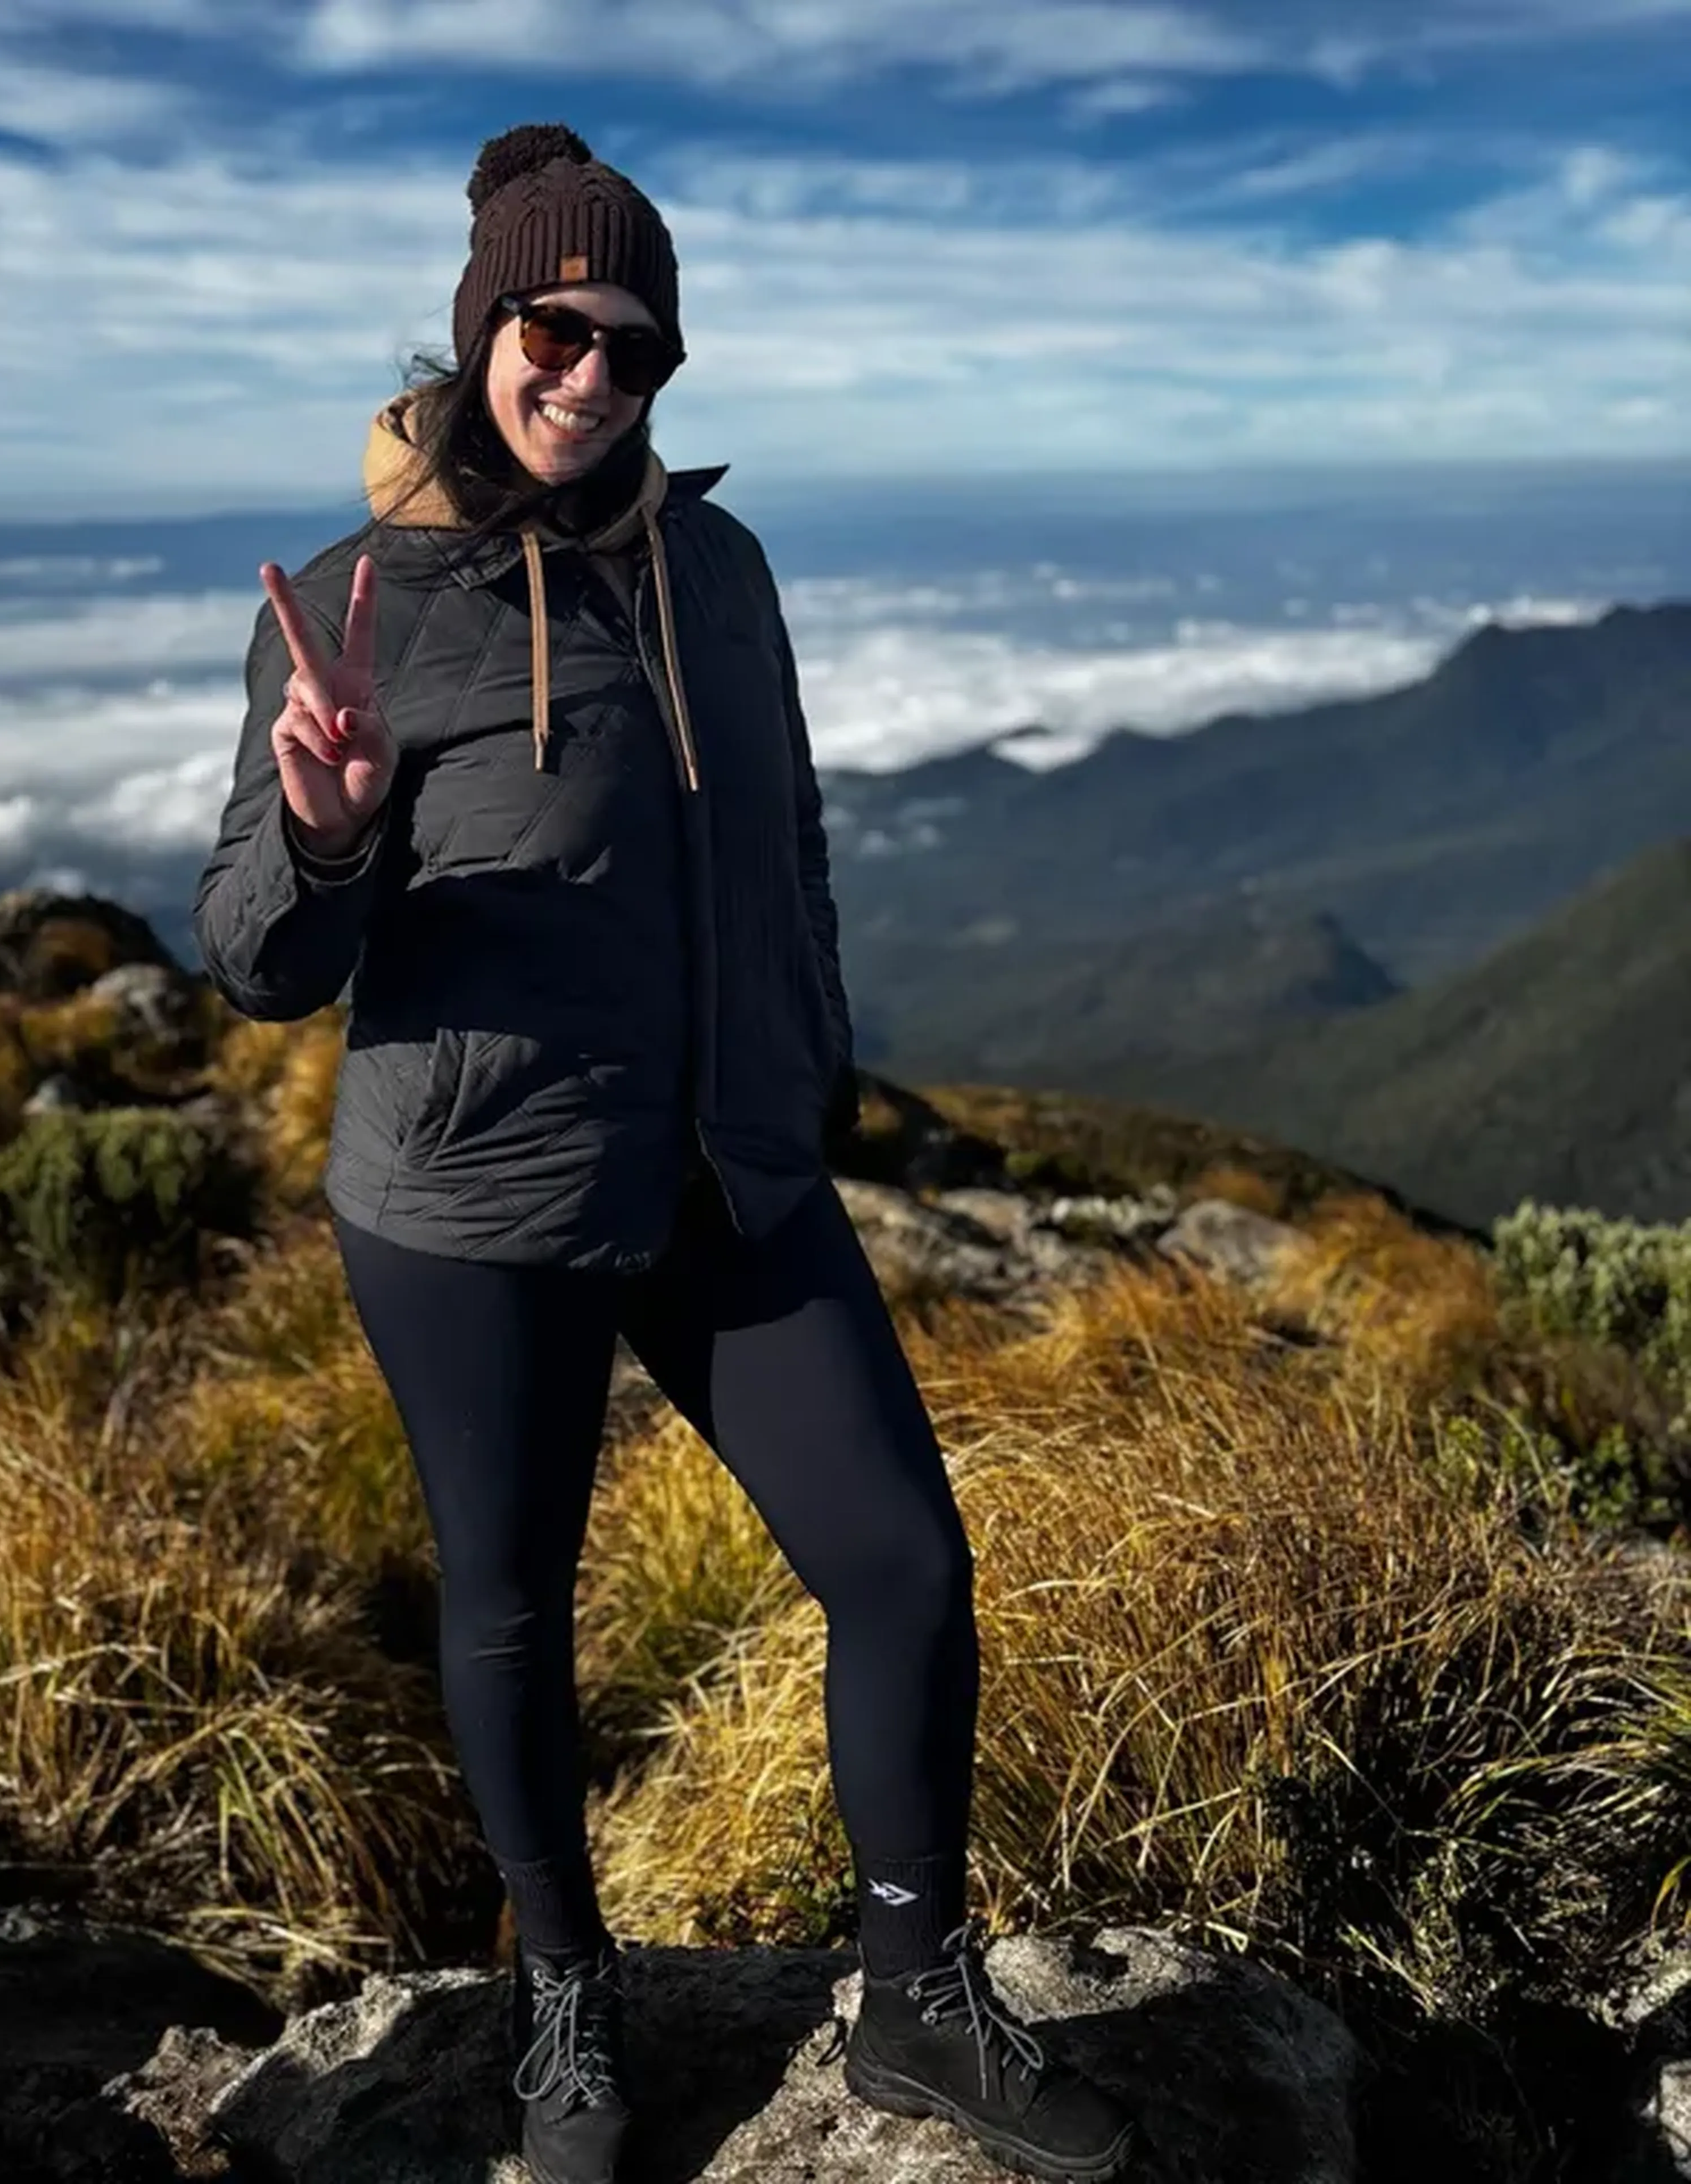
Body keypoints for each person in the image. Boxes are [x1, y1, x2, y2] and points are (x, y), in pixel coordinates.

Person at [193, 121, 1137, 2184]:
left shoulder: (721, 566)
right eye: (557, 330)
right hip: (471, 1197)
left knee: (899, 1557)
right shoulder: (356, 604)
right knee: (516, 1605)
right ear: (483, 329)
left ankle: (910, 1997)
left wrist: (813, 1066)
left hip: (726, 1168)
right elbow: (261, 959)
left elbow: (782, 840)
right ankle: (562, 2006)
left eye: (639, 350)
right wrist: (336, 825)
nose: (594, 378)